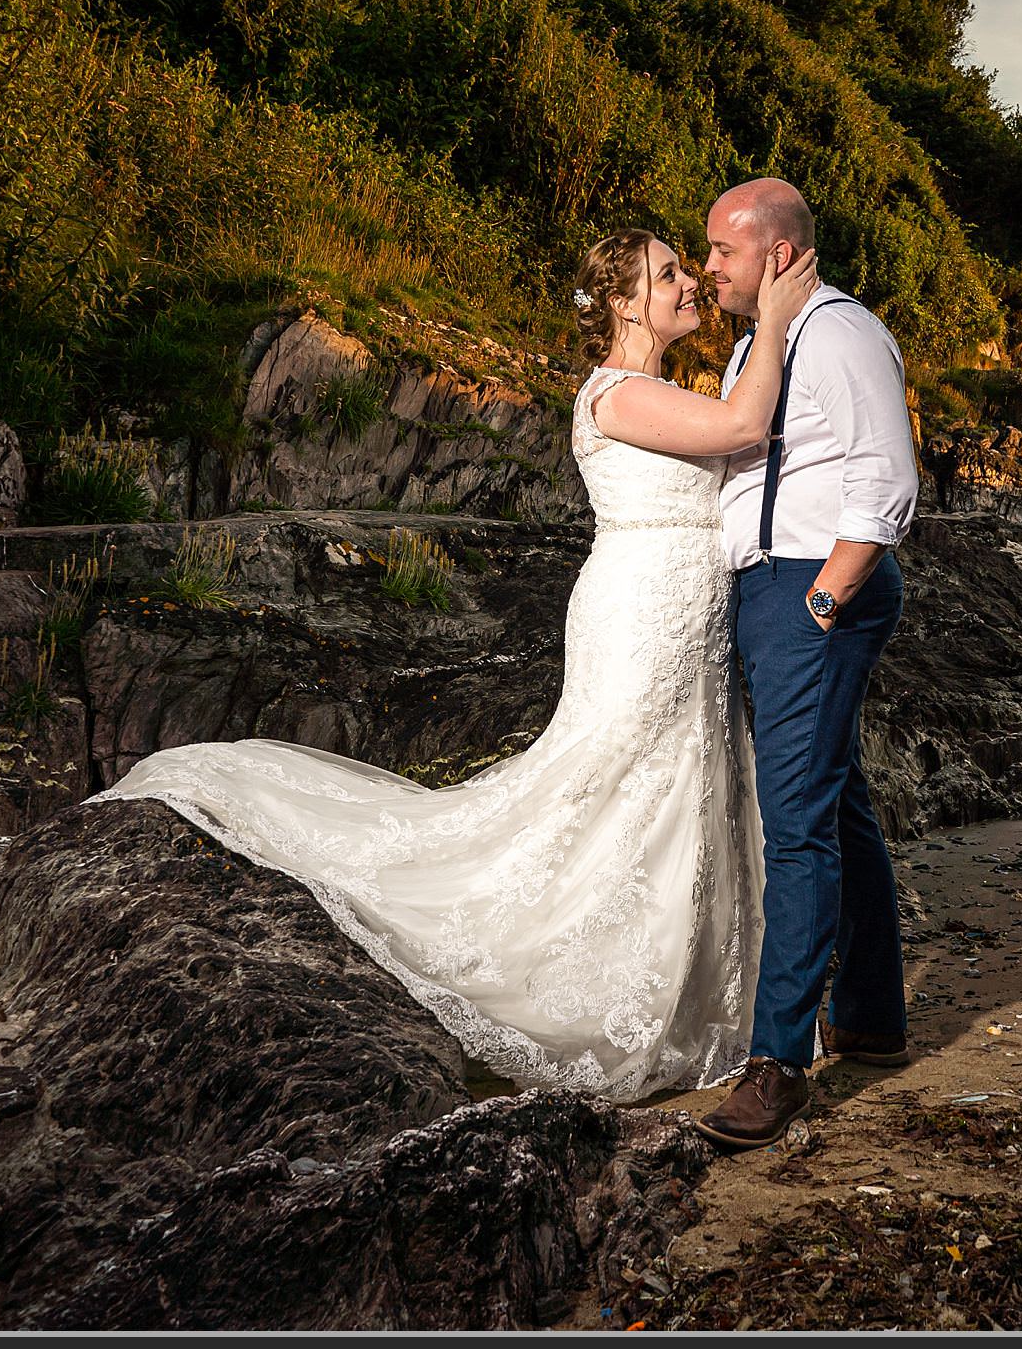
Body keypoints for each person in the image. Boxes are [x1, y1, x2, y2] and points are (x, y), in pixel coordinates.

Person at [75, 229, 820, 1103]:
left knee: (681, 778)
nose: (688, 282)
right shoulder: (617, 396)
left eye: (684, 269)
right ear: (623, 303)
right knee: (612, 779)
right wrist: (772, 318)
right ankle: (586, 971)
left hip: (690, 614)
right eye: (668, 273)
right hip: (641, 613)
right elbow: (743, 426)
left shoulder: (659, 387)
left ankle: (686, 978)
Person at [688, 176, 922, 1151]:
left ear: (777, 251)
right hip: (775, 590)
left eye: (722, 252)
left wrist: (827, 595)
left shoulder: (838, 332)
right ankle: (869, 1016)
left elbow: (886, 472)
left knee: (794, 825)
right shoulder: (765, 340)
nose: (709, 269)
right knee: (835, 799)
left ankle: (776, 1063)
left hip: (810, 592)